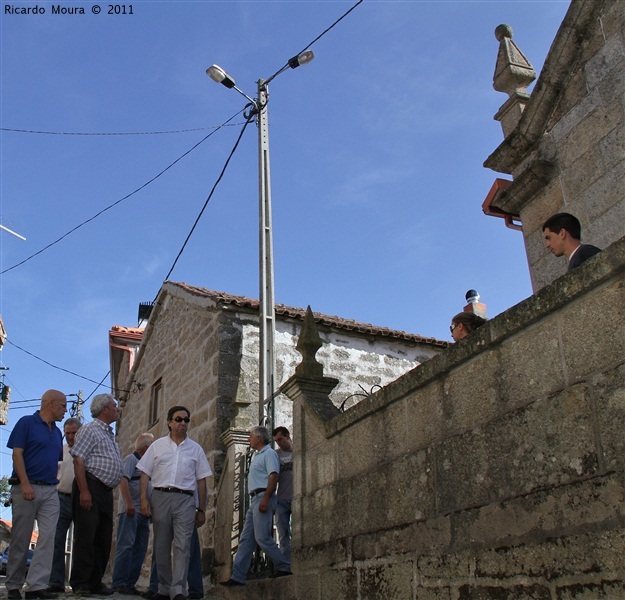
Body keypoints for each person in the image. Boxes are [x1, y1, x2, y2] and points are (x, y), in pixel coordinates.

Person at [138, 407, 211, 600]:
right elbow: (145, 473)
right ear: (169, 422)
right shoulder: (157, 446)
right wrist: (144, 499)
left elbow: (202, 480)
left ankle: (178, 589)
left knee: (183, 546)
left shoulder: (196, 449)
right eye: (179, 419)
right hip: (160, 497)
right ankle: (163, 588)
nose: (183, 423)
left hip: (185, 500)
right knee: (161, 546)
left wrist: (201, 508)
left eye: (186, 420)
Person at [6, 389, 67, 600]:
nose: (65, 410)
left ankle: (36, 587)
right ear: (49, 403)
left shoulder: (58, 432)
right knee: (21, 538)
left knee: (48, 537)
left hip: (50, 489)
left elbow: (56, 462)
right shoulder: (26, 423)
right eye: (62, 405)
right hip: (26, 487)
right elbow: (17, 454)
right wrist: (25, 485)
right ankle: (13, 585)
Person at [221, 426, 291, 587]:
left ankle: (284, 565)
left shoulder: (269, 454)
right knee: (246, 539)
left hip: (262, 496)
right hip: (255, 499)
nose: (249, 439)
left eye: (251, 436)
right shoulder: (257, 455)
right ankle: (238, 576)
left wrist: (266, 498)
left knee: (262, 537)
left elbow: (273, 476)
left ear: (259, 438)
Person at [69, 394, 123, 596]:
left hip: (105, 491)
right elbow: (78, 460)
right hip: (90, 486)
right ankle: (81, 582)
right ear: (105, 409)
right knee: (86, 535)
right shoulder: (90, 429)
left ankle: (95, 581)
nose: (117, 409)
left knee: (103, 537)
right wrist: (84, 491)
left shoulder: (109, 434)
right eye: (114, 405)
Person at [111, 433, 155, 595]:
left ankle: (130, 584)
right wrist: (129, 503)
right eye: (152, 445)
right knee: (126, 546)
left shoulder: (147, 464)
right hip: (131, 510)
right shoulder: (131, 460)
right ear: (145, 448)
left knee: (140, 549)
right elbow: (123, 481)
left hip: (144, 512)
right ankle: (119, 582)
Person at [47, 417, 82, 594]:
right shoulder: (59, 451)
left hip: (81, 499)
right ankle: (56, 581)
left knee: (81, 542)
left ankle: (79, 582)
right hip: (60, 498)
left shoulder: (87, 451)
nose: (69, 436)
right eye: (67, 433)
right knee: (57, 540)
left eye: (73, 433)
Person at [272, 426, 293, 562]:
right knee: (283, 534)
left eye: (280, 439)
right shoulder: (276, 455)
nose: (279, 443)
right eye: (276, 441)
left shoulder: (299, 450)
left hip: (296, 497)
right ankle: (286, 563)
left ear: (287, 436)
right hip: (282, 499)